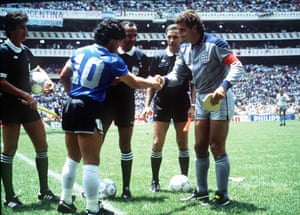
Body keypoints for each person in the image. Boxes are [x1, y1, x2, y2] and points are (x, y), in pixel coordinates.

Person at [58, 19, 161, 215]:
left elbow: (64, 75)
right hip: (89, 108)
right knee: (91, 162)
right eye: (119, 40)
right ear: (112, 40)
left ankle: (65, 200)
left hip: (70, 105)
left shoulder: (80, 51)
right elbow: (134, 82)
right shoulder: (112, 59)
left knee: (72, 158)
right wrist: (154, 84)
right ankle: (93, 208)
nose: (120, 45)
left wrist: (74, 93)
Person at [160, 10, 244, 206]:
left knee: (216, 146)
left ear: (194, 28)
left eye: (182, 30)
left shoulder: (215, 44)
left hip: (218, 99)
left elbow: (237, 66)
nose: (179, 34)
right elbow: (177, 76)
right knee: (199, 147)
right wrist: (162, 80)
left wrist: (224, 87)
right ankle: (202, 192)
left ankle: (222, 194)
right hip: (201, 100)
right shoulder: (185, 49)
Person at [0, 11, 59, 209]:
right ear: (10, 31)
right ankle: (9, 197)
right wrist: (24, 95)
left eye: (26, 27)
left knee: (42, 145)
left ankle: (44, 191)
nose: (26, 31)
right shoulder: (3, 51)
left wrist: (48, 80)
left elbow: (37, 69)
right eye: (22, 28)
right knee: (9, 150)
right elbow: (0, 81)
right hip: (10, 107)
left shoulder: (25, 51)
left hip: (29, 106)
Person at [98, 21, 151, 200]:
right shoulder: (109, 54)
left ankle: (126, 189)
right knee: (95, 146)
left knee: (126, 146)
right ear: (121, 36)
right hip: (105, 104)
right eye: (129, 35)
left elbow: (143, 80)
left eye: (135, 35)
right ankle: (91, 186)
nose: (132, 38)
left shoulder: (141, 57)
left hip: (126, 105)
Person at [142, 24, 192, 192]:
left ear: (181, 38)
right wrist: (147, 105)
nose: (172, 40)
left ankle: (185, 179)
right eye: (169, 37)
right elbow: (151, 84)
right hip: (162, 104)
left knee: (183, 143)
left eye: (175, 37)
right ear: (166, 37)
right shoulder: (157, 57)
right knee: (157, 143)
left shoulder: (187, 56)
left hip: (181, 104)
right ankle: (155, 181)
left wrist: (192, 105)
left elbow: (193, 83)